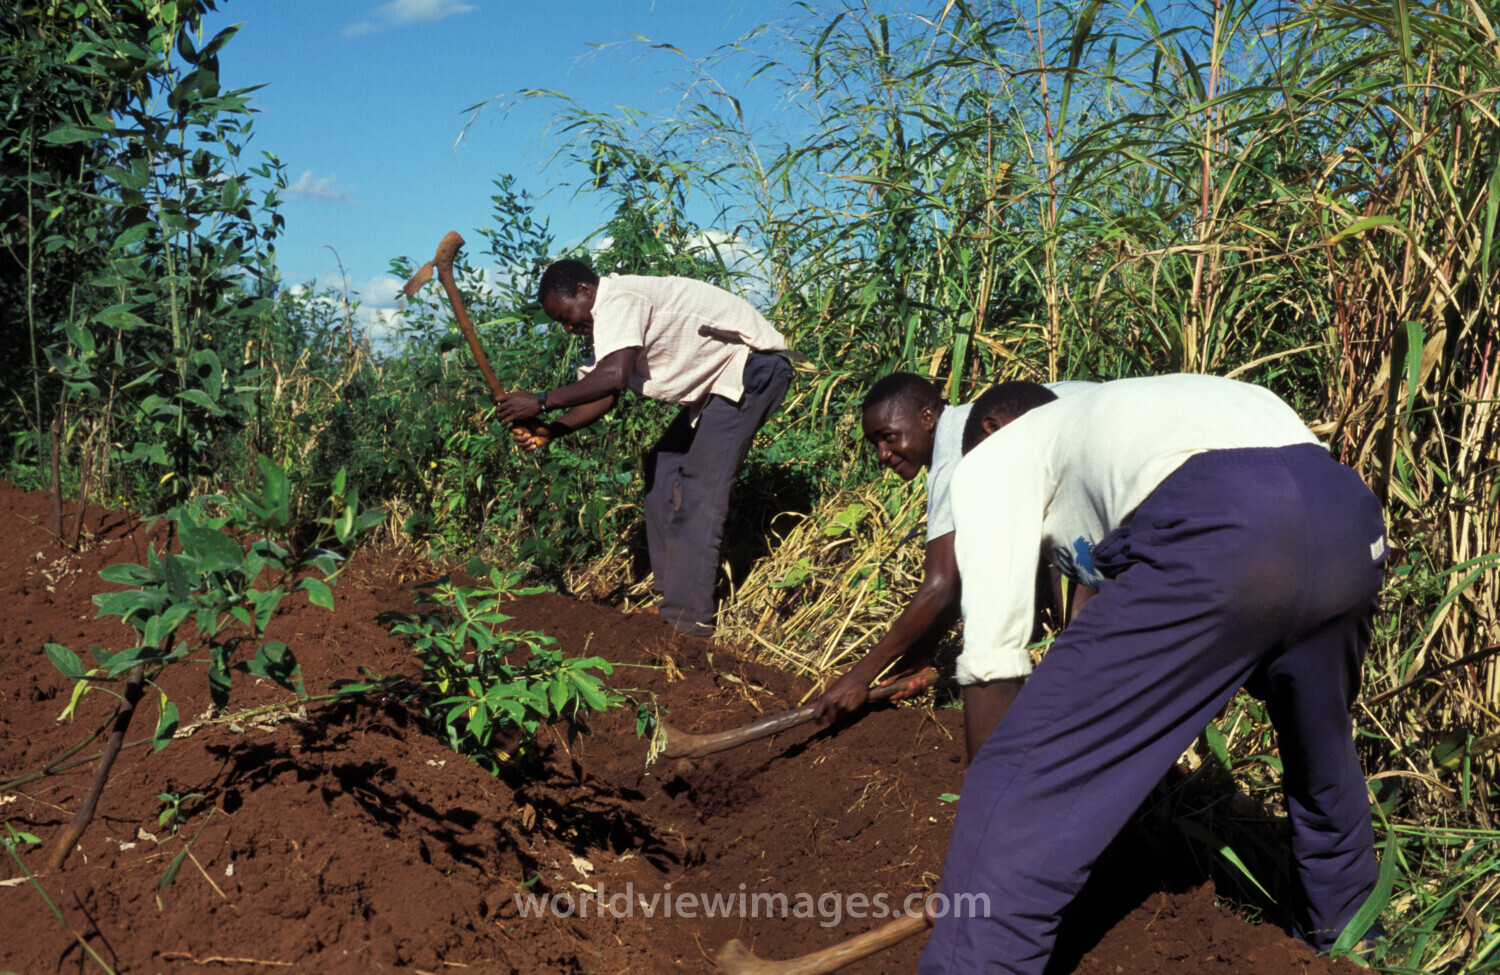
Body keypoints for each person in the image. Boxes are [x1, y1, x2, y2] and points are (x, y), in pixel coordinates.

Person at [920, 376, 1386, 974]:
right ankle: (1350, 949)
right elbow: (1106, 617)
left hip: (1223, 520)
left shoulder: (993, 459)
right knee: (1323, 761)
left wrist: (984, 852)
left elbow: (991, 667)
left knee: (1012, 785)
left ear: (988, 430)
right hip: (1346, 519)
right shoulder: (1105, 418)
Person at [495, 259, 794, 637]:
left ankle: (688, 622)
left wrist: (539, 401)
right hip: (720, 384)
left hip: (752, 370)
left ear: (585, 292)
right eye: (561, 324)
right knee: (663, 466)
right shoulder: (608, 320)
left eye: (567, 316)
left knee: (700, 489)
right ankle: (675, 600)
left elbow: (615, 377)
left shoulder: (619, 299)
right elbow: (602, 394)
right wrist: (552, 429)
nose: (569, 328)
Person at [812, 373, 1094, 760]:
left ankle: (1082, 704)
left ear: (928, 417)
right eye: (874, 443)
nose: (881, 454)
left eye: (888, 436)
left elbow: (941, 584)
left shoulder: (955, 458)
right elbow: (964, 570)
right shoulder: (974, 422)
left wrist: (860, 677)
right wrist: (922, 654)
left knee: (1074, 571)